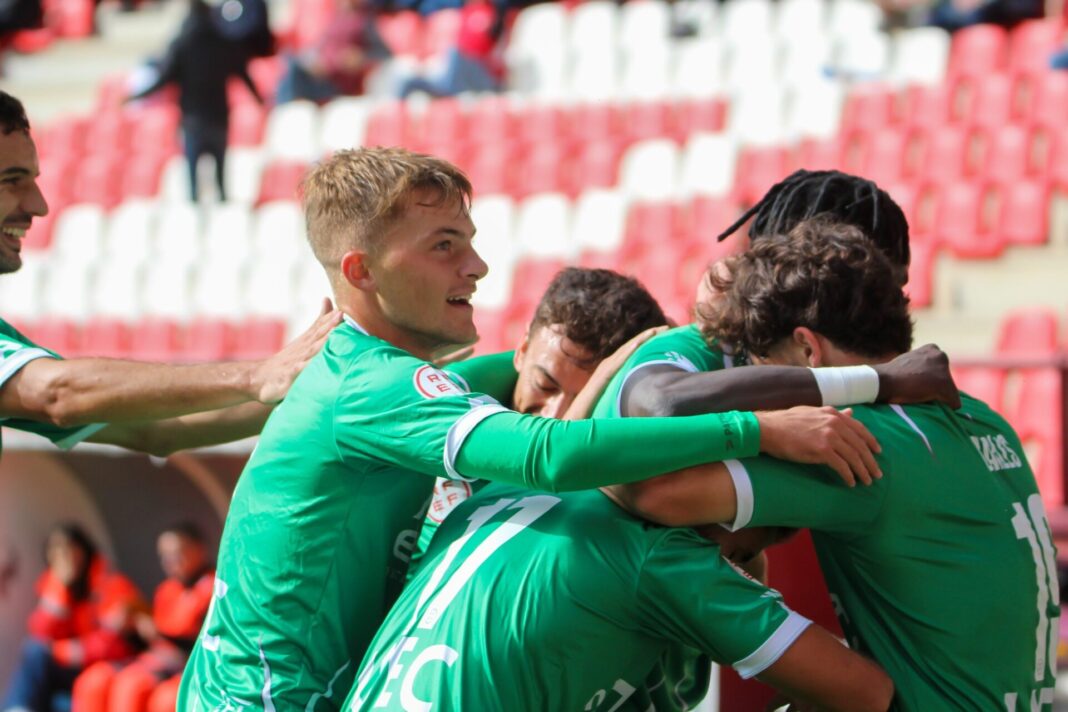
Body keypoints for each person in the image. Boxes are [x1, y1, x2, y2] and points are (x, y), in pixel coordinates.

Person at [177, 146, 882, 711]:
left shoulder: (400, 381)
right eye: (444, 246)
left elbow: (536, 397)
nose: (476, 267)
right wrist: (755, 429)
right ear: (360, 271)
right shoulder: (379, 384)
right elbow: (549, 453)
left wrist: (638, 357)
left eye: (471, 242)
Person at [608, 218, 1058, 709]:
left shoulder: (854, 441)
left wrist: (763, 428)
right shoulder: (985, 419)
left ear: (806, 348)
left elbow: (653, 491)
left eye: (766, 368)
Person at [345, 479, 893, 712]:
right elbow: (866, 693)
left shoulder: (511, 484)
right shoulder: (662, 556)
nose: (731, 570)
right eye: (737, 553)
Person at [0, 89, 341, 458]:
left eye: (33, 180)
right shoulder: (43, 384)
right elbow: (58, 394)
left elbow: (157, 430)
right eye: (12, 180)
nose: (39, 205)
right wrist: (256, 376)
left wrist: (320, 382)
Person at [126, 0, 264, 202]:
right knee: (221, 180)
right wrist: (259, 100)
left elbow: (163, 79)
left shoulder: (182, 44)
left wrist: (135, 96)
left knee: (192, 182)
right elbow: (243, 74)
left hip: (192, 121)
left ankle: (195, 207)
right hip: (219, 118)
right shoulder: (223, 42)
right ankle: (221, 204)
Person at [71, 523, 214, 712]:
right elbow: (150, 641)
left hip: (189, 665)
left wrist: (158, 632)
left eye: (177, 553)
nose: (171, 562)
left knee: (134, 687)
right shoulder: (166, 590)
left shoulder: (215, 589)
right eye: (165, 556)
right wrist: (130, 627)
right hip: (155, 660)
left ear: (199, 549)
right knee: (93, 680)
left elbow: (206, 644)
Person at [2, 524, 145, 712]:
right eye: (56, 551)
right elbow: (42, 633)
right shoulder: (54, 587)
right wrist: (60, 587)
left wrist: (64, 652)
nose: (64, 557)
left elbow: (114, 644)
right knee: (34, 650)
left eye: (69, 548)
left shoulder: (112, 585)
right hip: (70, 672)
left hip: (102, 670)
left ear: (83, 550)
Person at [275, 0, 389, 104]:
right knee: (290, 62)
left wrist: (361, 58)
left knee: (294, 70)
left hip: (338, 85)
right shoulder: (335, 20)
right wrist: (315, 61)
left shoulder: (364, 22)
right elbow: (318, 48)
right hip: (319, 76)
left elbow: (383, 54)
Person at [396, 0, 503, 98]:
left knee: (454, 56)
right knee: (404, 71)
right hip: (444, 70)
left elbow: (492, 51)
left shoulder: (493, 13)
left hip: (474, 70)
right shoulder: (461, 13)